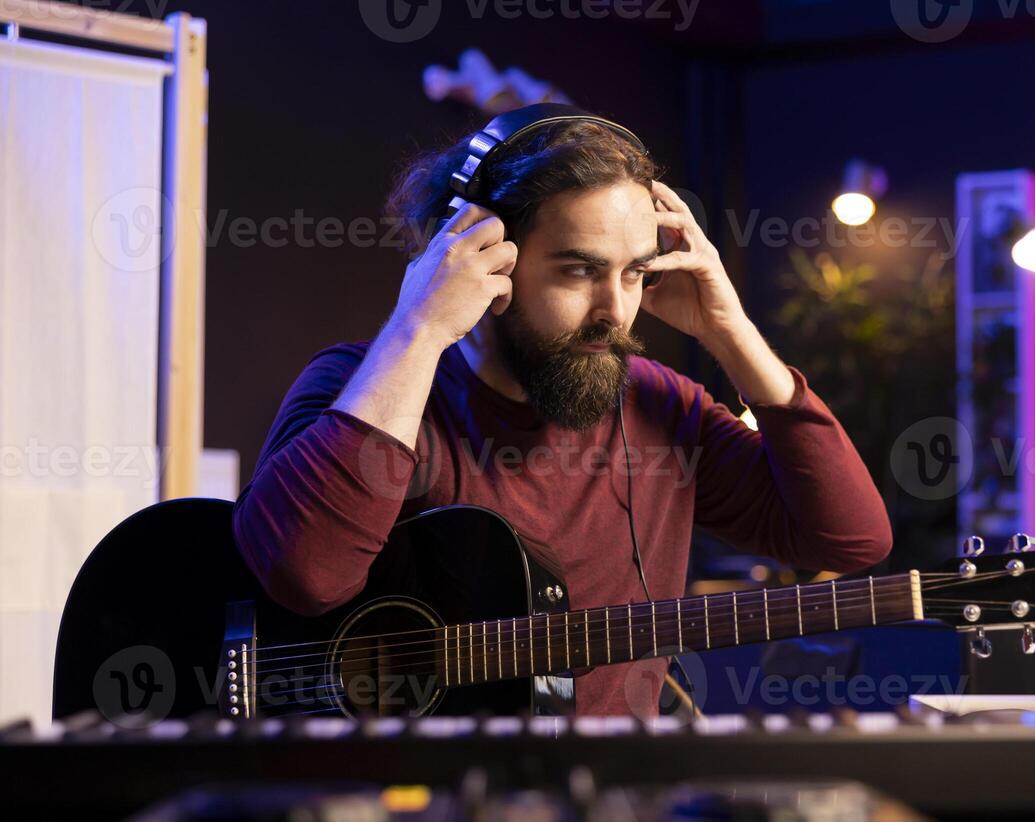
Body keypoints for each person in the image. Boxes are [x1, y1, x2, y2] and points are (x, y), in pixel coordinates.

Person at [231, 113, 892, 718]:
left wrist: (731, 333)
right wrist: (417, 329)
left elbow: (848, 539)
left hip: (606, 812)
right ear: (483, 253)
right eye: (579, 271)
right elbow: (306, 575)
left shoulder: (661, 407)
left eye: (635, 273)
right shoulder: (362, 383)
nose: (616, 310)